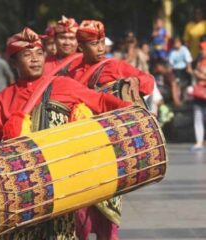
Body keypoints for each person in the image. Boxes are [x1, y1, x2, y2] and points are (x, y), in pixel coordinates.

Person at [0, 27, 131, 239]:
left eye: (39, 53)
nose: (35, 60)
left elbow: (100, 102)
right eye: (27, 55)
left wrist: (130, 109)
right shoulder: (3, 99)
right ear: (13, 62)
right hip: (23, 190)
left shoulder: (63, 85)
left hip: (60, 187)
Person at [66, 20, 154, 240]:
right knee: (80, 216)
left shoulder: (114, 66)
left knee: (108, 221)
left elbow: (148, 81)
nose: (101, 47)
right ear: (81, 47)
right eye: (94, 43)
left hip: (108, 148)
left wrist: (134, 82)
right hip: (80, 149)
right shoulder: (71, 72)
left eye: (102, 42)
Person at [191, 41, 206, 151]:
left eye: (203, 49)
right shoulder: (199, 61)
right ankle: (199, 141)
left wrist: (200, 74)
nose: (201, 51)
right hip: (199, 93)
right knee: (198, 117)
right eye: (200, 49)